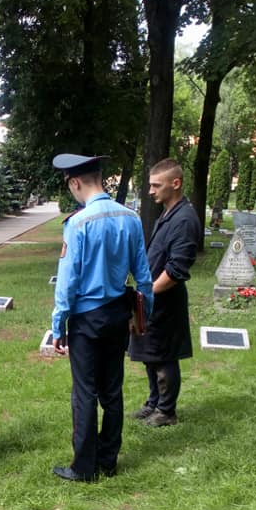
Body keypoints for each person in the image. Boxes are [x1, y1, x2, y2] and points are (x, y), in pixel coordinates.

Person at [50, 153, 153, 482]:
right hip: (117, 316)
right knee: (112, 390)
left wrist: (58, 326)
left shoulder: (77, 223)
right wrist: (142, 316)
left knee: (84, 393)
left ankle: (83, 468)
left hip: (86, 319)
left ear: (75, 182)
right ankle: (108, 461)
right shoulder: (131, 218)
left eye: (70, 188)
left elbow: (67, 284)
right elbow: (144, 277)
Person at [128, 158, 200, 427]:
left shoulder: (184, 219)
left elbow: (177, 268)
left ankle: (166, 411)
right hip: (152, 299)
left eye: (156, 185)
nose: (150, 191)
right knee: (150, 355)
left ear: (176, 183)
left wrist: (146, 294)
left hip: (164, 300)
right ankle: (154, 403)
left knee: (163, 356)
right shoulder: (169, 213)